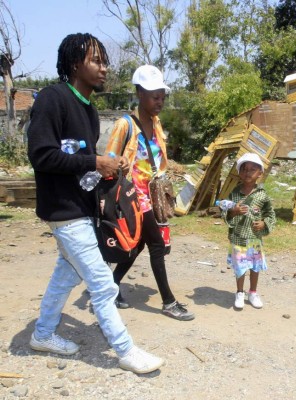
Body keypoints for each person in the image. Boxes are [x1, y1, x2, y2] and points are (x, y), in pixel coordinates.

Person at [26, 33, 164, 374]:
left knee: (66, 275)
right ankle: (126, 351)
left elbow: (82, 162)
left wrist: (107, 172)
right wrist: (95, 162)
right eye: (96, 61)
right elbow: (41, 155)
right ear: (75, 64)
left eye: (105, 61)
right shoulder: (51, 98)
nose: (104, 68)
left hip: (82, 208)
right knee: (103, 283)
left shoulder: (89, 109)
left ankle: (43, 334)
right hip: (62, 210)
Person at [104, 65, 194, 321]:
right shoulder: (125, 125)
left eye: (162, 97)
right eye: (155, 96)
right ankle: (168, 301)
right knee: (156, 244)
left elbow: (158, 161)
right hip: (133, 197)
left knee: (140, 243)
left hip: (152, 196)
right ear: (140, 93)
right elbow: (110, 161)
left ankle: (111, 284)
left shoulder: (156, 125)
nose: (160, 102)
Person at [221, 153, 276, 309]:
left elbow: (270, 214)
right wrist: (234, 211)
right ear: (239, 173)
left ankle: (252, 292)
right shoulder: (234, 194)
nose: (248, 172)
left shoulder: (262, 195)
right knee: (240, 267)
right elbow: (226, 212)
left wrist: (264, 224)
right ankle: (239, 292)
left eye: (253, 169)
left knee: (254, 266)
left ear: (260, 173)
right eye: (244, 169)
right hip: (238, 238)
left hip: (254, 239)